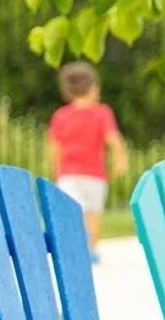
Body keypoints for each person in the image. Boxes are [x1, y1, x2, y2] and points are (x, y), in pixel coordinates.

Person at [47, 60, 129, 260]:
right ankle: (90, 251)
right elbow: (113, 139)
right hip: (94, 175)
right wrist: (121, 158)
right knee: (92, 213)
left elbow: (54, 148)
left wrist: (55, 171)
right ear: (93, 88)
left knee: (70, 214)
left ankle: (72, 250)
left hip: (68, 174)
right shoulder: (102, 113)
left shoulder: (60, 116)